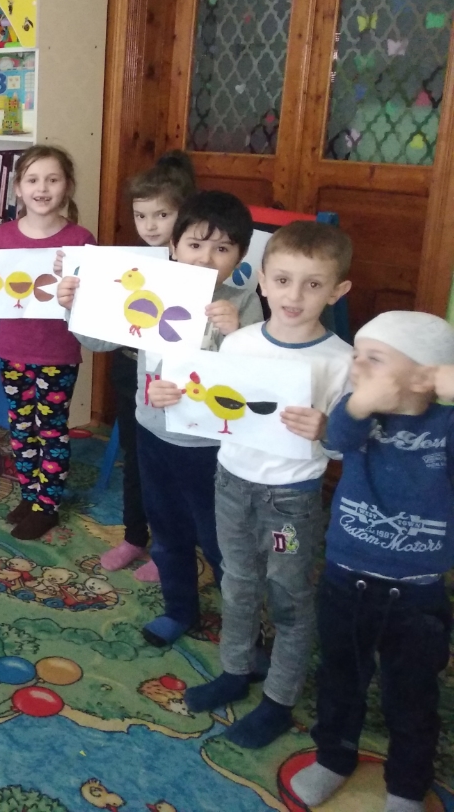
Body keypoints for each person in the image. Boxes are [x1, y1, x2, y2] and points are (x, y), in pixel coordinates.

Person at [177, 222, 353, 748]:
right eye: (282, 280)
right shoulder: (240, 342)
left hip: (291, 501)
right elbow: (213, 409)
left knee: (289, 595)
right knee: (237, 582)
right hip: (231, 483)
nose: (294, 296)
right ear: (262, 282)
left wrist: (326, 431)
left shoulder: (341, 360)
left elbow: (346, 447)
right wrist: (175, 397)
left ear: (337, 290)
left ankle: (278, 699)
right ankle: (236, 670)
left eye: (313, 284)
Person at [60, 190, 262, 645]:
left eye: (222, 248)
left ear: (240, 256)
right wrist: (73, 305)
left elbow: (255, 379)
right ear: (173, 246)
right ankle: (179, 609)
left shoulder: (243, 303)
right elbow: (98, 341)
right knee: (167, 530)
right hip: (153, 433)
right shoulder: (154, 288)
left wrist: (238, 333)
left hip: (213, 448)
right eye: (194, 244)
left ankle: (244, 627)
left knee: (221, 539)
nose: (205, 258)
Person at [290, 312, 454, 812]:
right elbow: (336, 438)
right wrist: (360, 402)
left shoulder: (446, 424)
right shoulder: (357, 414)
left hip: (418, 591)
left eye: (374, 358)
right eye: (356, 354)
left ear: (424, 375)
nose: (356, 365)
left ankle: (406, 785)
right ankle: (333, 758)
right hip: (346, 579)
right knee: (340, 680)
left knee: (412, 696)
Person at [0, 145, 95, 540]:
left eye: (53, 180)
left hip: (57, 352)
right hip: (12, 348)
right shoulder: (2, 236)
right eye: (33, 180)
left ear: (67, 186)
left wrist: (75, 276)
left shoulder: (80, 239)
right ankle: (29, 494)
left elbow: (94, 299)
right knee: (21, 427)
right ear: (18, 188)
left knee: (50, 429)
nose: (42, 188)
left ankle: (47, 505)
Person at [102, 151, 197, 582]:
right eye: (141, 216)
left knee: (173, 470)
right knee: (136, 458)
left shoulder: (199, 267)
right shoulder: (133, 266)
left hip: (180, 382)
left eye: (162, 215)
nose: (151, 226)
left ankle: (169, 547)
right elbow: (106, 326)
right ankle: (134, 535)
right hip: (132, 374)